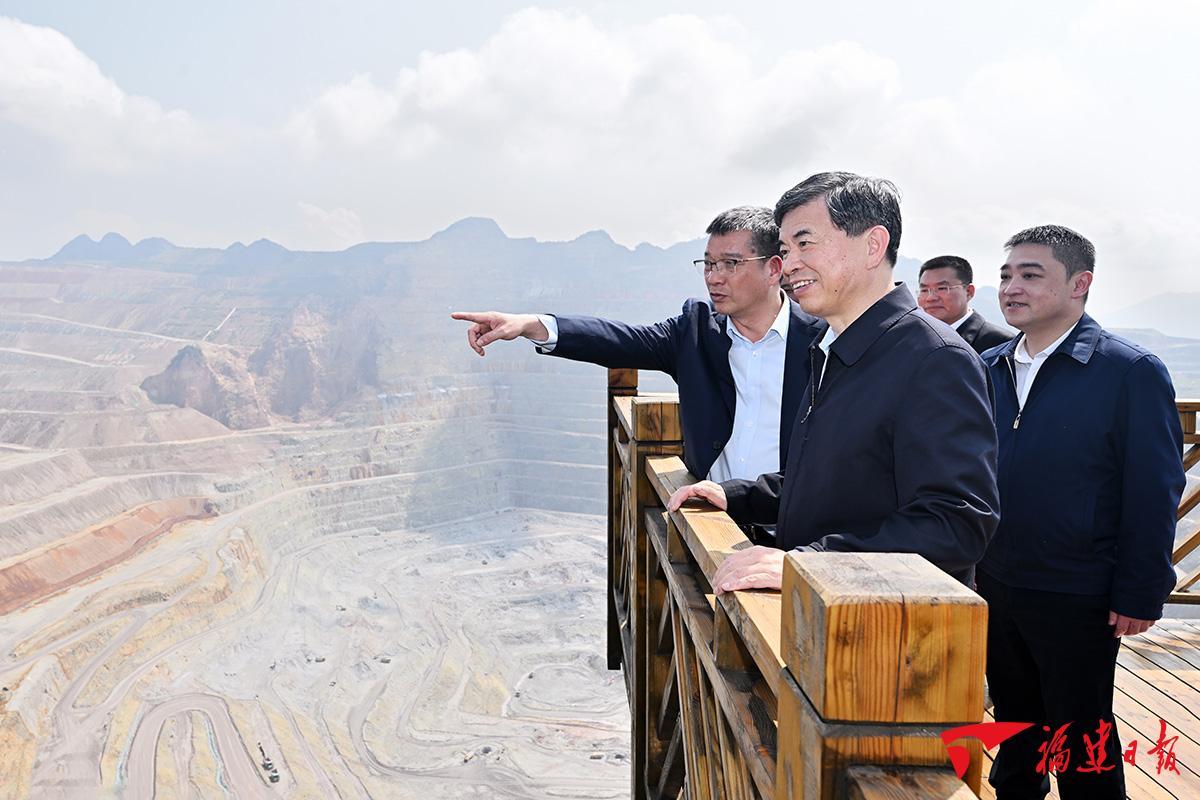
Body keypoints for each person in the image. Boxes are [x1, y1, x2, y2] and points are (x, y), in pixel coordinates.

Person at [667, 172, 999, 590]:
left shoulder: (935, 359)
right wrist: (737, 496)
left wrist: (812, 562)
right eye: (785, 250)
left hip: (882, 621)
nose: (789, 265)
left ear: (873, 245)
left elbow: (957, 523)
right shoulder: (831, 346)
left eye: (805, 243)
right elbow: (830, 479)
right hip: (821, 609)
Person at [976, 225, 1184, 799]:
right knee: (1015, 727)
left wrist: (1140, 590)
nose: (1011, 288)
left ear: (1079, 283)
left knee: (1081, 735)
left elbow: (1155, 487)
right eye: (1006, 275)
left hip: (1078, 589)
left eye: (1031, 275)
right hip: (996, 580)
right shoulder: (990, 366)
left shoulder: (1129, 371)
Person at [451, 206, 825, 483]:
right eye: (709, 264)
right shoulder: (696, 333)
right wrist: (530, 325)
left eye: (730, 264)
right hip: (715, 527)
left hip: (795, 534)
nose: (714, 278)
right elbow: (619, 340)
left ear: (773, 268)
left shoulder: (821, 340)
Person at [916, 254, 1014, 354]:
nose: (930, 298)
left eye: (942, 288)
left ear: (969, 291)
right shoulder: (914, 338)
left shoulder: (1001, 343)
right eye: (924, 290)